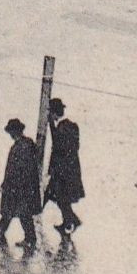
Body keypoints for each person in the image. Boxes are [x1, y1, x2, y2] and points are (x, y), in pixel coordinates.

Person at [0, 118, 41, 250]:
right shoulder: (27, 144)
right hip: (25, 185)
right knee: (15, 209)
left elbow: (14, 169)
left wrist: (8, 184)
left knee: (22, 212)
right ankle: (3, 229)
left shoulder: (19, 147)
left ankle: (30, 239)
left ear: (14, 132)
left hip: (20, 186)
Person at [43, 98, 85, 237]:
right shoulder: (70, 125)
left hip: (63, 170)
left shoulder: (63, 127)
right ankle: (70, 221)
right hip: (68, 169)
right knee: (57, 196)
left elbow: (58, 145)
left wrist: (50, 125)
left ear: (55, 113)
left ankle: (71, 221)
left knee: (58, 196)